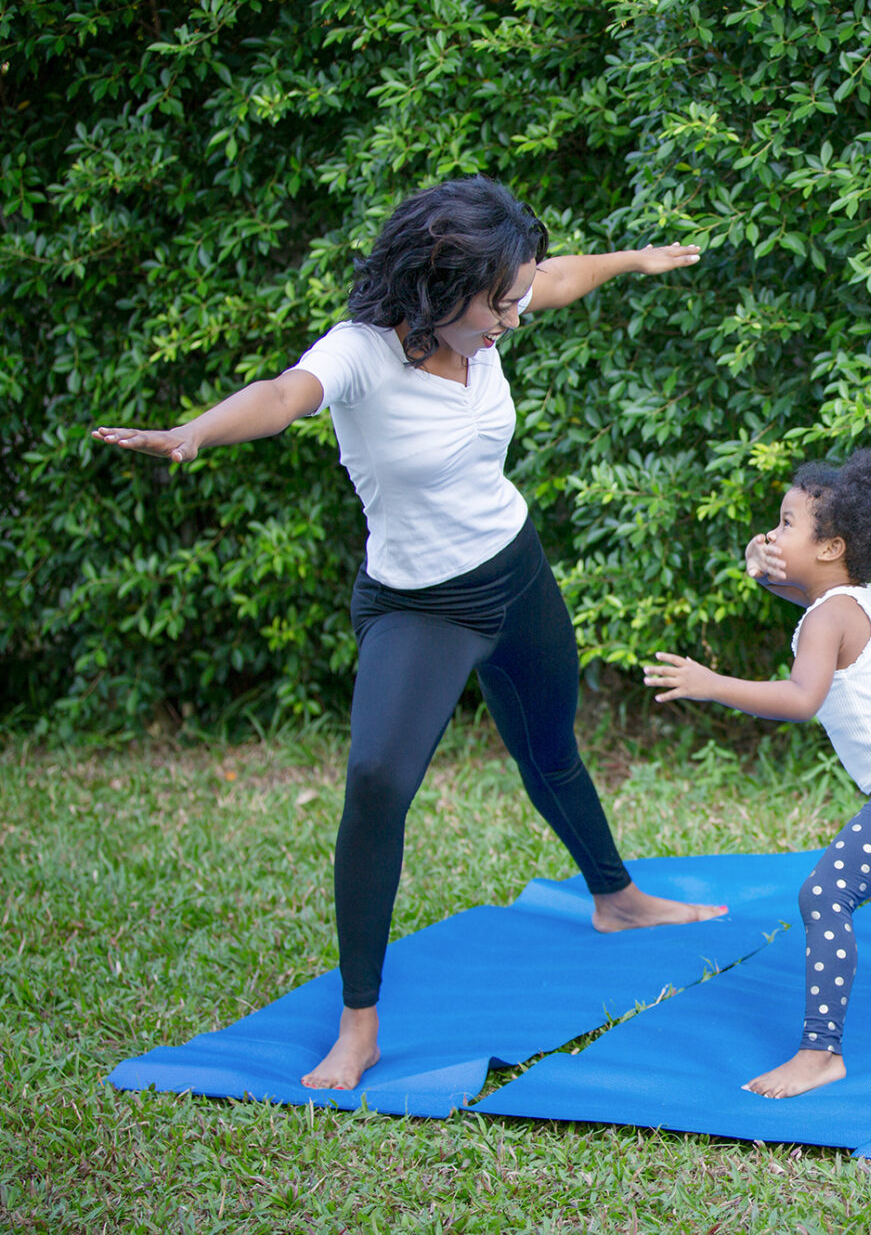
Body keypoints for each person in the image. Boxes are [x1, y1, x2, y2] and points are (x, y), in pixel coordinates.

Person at [92, 176, 723, 1091]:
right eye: (500, 298)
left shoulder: (494, 311)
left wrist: (634, 259)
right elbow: (282, 393)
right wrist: (198, 431)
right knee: (377, 780)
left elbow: (560, 279)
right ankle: (359, 1023)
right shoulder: (361, 353)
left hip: (517, 570)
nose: (515, 311)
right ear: (439, 285)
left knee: (550, 748)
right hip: (421, 606)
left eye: (516, 293)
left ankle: (616, 899)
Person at [643, 447, 871, 1098]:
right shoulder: (846, 598)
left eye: (786, 525)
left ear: (832, 544)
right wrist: (758, 563)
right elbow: (789, 585)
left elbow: (801, 700)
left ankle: (821, 1052)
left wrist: (711, 683)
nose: (773, 534)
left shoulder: (828, 616)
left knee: (824, 894)